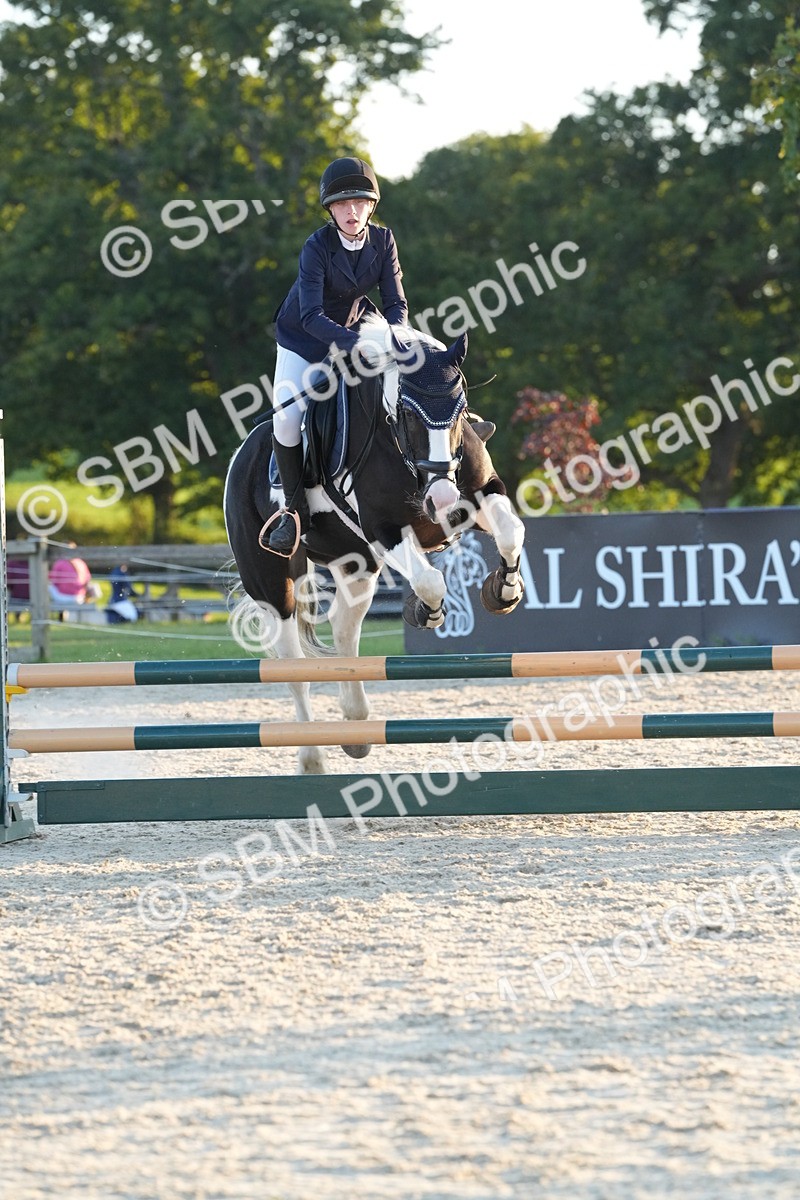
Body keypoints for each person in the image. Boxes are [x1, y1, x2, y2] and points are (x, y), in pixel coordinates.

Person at [267, 155, 409, 552]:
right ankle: (293, 512)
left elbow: (396, 302)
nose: (351, 210)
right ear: (330, 209)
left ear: (371, 206)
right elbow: (311, 315)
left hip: (357, 324)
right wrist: (355, 345)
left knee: (408, 373)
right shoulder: (316, 247)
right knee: (286, 414)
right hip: (304, 337)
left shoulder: (384, 241)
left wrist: (396, 336)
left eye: (359, 202)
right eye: (342, 204)